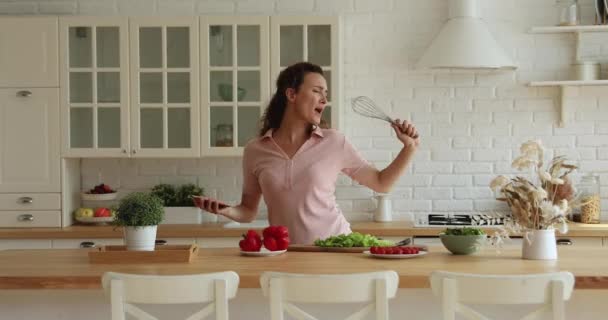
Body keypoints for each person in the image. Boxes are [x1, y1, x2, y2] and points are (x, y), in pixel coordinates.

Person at [194, 62, 419, 244]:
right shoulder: (256, 150)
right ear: (291, 94)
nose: (324, 99)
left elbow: (381, 183)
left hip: (335, 248)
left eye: (326, 94)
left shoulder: (334, 142)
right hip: (285, 253)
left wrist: (408, 148)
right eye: (316, 91)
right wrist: (225, 210)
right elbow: (248, 211)